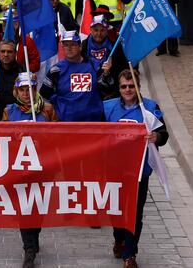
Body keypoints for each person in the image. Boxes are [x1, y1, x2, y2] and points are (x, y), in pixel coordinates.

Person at [103, 69, 168, 268]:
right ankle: (119, 239)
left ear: (138, 87)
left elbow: (163, 133)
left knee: (135, 213)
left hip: (140, 171)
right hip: (115, 170)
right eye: (124, 86)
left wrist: (156, 137)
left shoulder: (149, 107)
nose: (128, 90)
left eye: (132, 86)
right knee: (116, 210)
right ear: (119, 88)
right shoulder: (109, 107)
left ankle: (129, 254)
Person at [2, 72, 58, 268]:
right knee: (24, 208)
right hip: (20, 169)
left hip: (44, 167)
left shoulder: (47, 109)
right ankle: (29, 249)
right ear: (16, 91)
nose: (27, 93)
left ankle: (34, 237)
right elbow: (2, 140)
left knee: (38, 207)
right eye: (23, 89)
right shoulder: (9, 111)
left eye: (31, 88)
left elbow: (59, 137)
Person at [40, 30, 112, 122]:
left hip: (94, 124)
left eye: (73, 44)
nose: (69, 48)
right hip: (66, 126)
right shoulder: (55, 70)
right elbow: (43, 97)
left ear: (80, 46)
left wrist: (106, 75)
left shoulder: (95, 65)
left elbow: (107, 90)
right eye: (66, 45)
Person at [81, 15, 127, 98]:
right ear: (90, 30)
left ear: (106, 30)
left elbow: (123, 69)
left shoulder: (115, 46)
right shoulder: (83, 46)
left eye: (102, 30)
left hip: (111, 92)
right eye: (95, 30)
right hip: (89, 92)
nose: (99, 34)